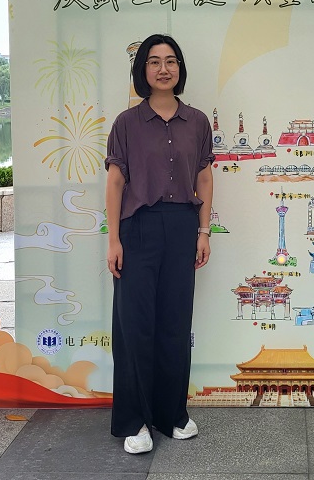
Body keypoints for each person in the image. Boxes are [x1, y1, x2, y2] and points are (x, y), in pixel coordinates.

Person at [105, 33, 214, 454]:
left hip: (182, 226)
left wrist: (203, 232)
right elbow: (116, 183)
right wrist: (114, 239)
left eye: (171, 61)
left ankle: (172, 414)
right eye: (154, 62)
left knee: (174, 323)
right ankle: (134, 421)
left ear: (180, 69)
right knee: (134, 326)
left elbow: (204, 178)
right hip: (138, 228)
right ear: (143, 70)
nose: (163, 69)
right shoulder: (126, 123)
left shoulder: (197, 122)